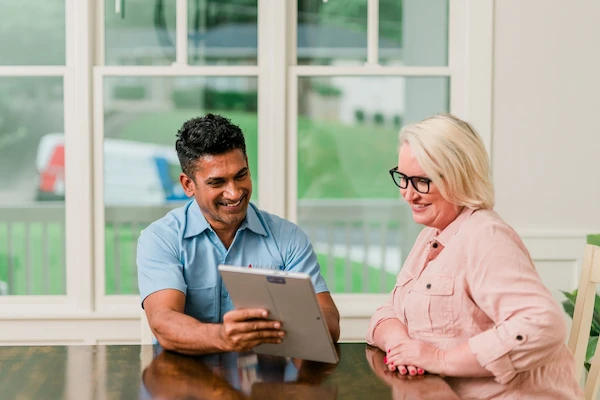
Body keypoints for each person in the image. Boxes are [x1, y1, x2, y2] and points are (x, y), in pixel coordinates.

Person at [366, 113, 583, 399]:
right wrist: (400, 344)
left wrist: (439, 359)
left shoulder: (486, 236)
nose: (408, 194)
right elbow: (390, 311)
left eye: (421, 181)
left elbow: (542, 324)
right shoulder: (431, 236)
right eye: (403, 178)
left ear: (460, 177)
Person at [137, 113, 340, 355]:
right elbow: (164, 322)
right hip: (184, 383)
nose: (234, 193)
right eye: (217, 182)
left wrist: (308, 325)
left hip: (269, 384)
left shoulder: (288, 237)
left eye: (240, 175)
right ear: (188, 185)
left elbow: (328, 319)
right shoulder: (161, 238)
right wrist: (223, 337)